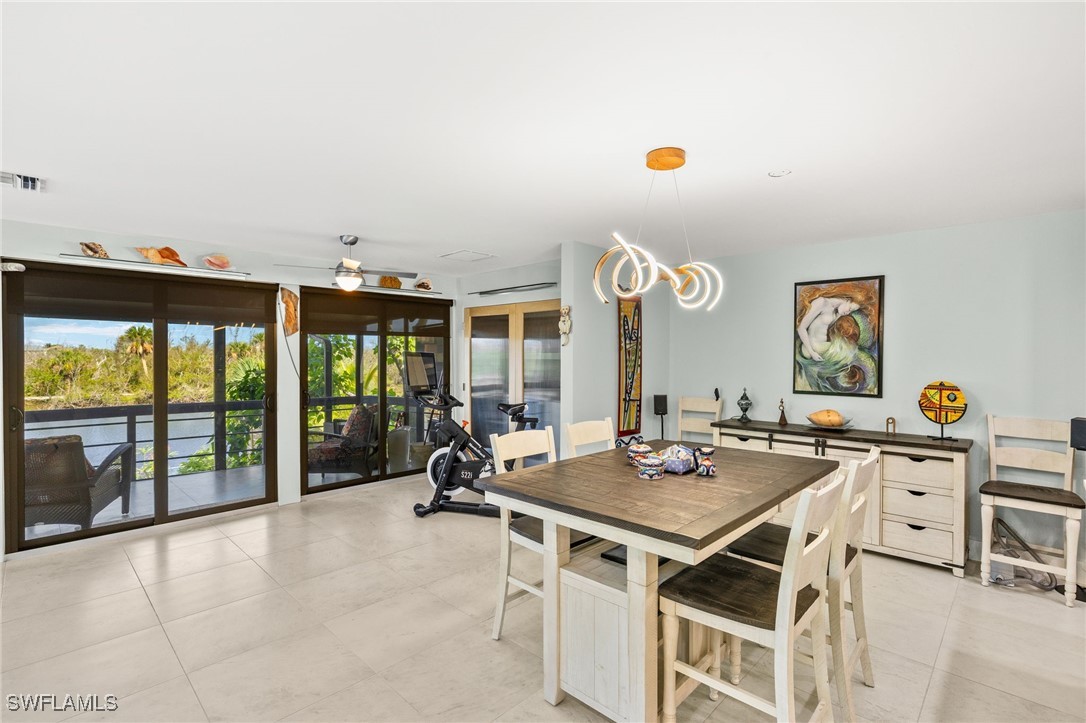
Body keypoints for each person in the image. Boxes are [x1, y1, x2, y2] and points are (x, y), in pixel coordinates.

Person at [797, 296, 861, 361]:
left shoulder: (838, 313)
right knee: (847, 352)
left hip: (821, 347)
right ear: (847, 300)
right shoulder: (821, 302)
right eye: (850, 309)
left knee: (850, 350)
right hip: (811, 347)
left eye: (850, 312)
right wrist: (812, 352)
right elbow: (801, 328)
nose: (847, 313)